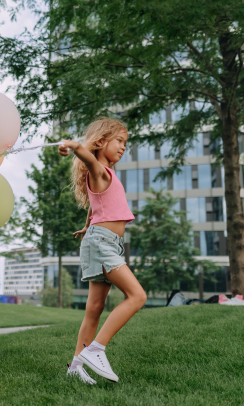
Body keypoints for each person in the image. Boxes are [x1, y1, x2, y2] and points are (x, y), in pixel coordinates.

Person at [60, 117, 147, 385]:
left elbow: (97, 206)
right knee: (137, 296)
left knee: (95, 308)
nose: (123, 147)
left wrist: (87, 226)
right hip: (102, 243)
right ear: (101, 141)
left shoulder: (106, 175)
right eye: (119, 141)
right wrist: (76, 146)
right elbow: (88, 159)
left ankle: (76, 365)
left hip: (102, 241)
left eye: (125, 143)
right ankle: (96, 349)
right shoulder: (99, 169)